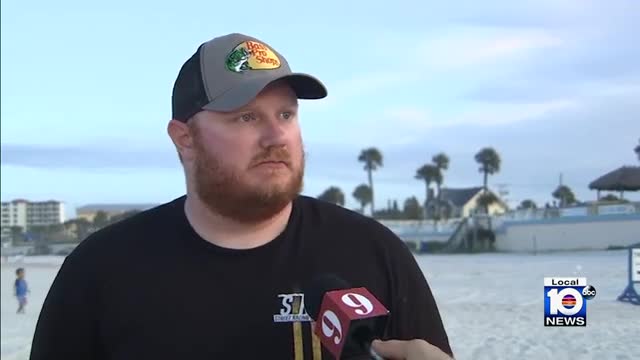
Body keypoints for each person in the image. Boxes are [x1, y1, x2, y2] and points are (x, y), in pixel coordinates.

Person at [30, 33, 453, 360]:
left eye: (286, 114)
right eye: (246, 117)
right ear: (184, 139)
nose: (276, 136)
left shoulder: (374, 252)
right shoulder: (99, 271)